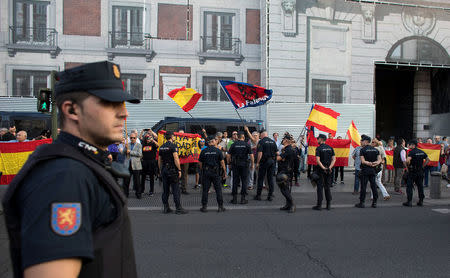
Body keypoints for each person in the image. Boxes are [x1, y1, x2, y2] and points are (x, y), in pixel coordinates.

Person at [2, 61, 139, 278]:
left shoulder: (82, 164)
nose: (124, 114)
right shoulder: (62, 176)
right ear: (71, 109)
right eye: (110, 103)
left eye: (123, 104)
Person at [158, 131, 188, 214]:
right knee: (175, 189)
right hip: (172, 170)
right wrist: (179, 169)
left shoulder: (161, 147)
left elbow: (159, 160)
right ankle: (178, 208)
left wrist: (160, 170)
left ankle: (166, 207)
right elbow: (176, 158)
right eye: (174, 136)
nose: (175, 137)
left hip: (164, 170)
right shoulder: (173, 146)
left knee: (165, 190)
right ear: (171, 137)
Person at [199, 135, 227, 212]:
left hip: (206, 172)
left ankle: (204, 207)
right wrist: (225, 172)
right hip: (215, 173)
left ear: (208, 143)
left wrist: (202, 170)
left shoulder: (204, 151)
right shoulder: (218, 151)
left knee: (205, 190)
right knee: (218, 190)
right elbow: (222, 162)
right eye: (214, 140)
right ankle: (220, 207)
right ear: (213, 141)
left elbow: (200, 163)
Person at [227, 131, 254, 204]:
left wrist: (229, 164)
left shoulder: (233, 144)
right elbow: (251, 155)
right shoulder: (247, 145)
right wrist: (252, 164)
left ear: (237, 137)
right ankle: (243, 199)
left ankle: (234, 199)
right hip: (244, 165)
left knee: (235, 181)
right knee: (244, 181)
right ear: (243, 137)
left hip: (235, 165)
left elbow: (228, 155)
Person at [355, 135, 382, 208]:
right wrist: (375, 163)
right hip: (373, 170)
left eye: (362, 141)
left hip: (365, 170)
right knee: (373, 186)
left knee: (363, 187)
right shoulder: (375, 150)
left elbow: (363, 161)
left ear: (366, 141)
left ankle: (362, 202)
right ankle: (375, 202)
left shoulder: (362, 150)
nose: (360, 142)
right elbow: (380, 160)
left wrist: (368, 163)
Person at [403, 140, 429, 207]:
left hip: (412, 171)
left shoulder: (412, 152)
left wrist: (408, 166)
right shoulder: (421, 151)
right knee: (420, 186)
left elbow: (407, 160)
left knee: (409, 186)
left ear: (413, 145)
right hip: (420, 171)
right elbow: (428, 159)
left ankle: (409, 201)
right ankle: (421, 201)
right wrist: (423, 166)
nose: (409, 146)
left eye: (410, 145)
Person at [313, 134, 335, 210]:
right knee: (327, 187)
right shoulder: (330, 148)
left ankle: (319, 205)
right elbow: (334, 159)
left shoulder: (318, 148)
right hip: (328, 171)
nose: (317, 140)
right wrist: (329, 167)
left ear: (321, 139)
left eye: (318, 138)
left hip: (321, 171)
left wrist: (323, 168)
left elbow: (318, 160)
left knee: (320, 188)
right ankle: (328, 205)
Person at [254, 129, 278, 201]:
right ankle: (270, 196)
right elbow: (277, 153)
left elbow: (260, 153)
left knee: (261, 178)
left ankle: (258, 195)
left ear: (261, 135)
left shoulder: (261, 142)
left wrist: (257, 163)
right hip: (272, 162)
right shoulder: (273, 142)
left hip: (264, 162)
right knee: (270, 178)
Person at [276, 133, 296, 213]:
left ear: (286, 140)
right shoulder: (289, 149)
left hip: (286, 171)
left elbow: (279, 158)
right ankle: (288, 205)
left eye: (283, 139)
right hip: (288, 170)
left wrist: (274, 155)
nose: (282, 140)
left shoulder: (288, 149)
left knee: (284, 190)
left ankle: (292, 205)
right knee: (285, 188)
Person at [123, 132, 143, 199]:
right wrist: (125, 148)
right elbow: (123, 153)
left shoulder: (139, 145)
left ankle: (138, 194)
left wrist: (130, 152)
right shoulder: (127, 144)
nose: (132, 139)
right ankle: (125, 194)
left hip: (136, 165)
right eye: (131, 138)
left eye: (134, 138)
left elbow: (140, 154)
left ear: (136, 138)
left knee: (137, 181)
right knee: (126, 181)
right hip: (128, 164)